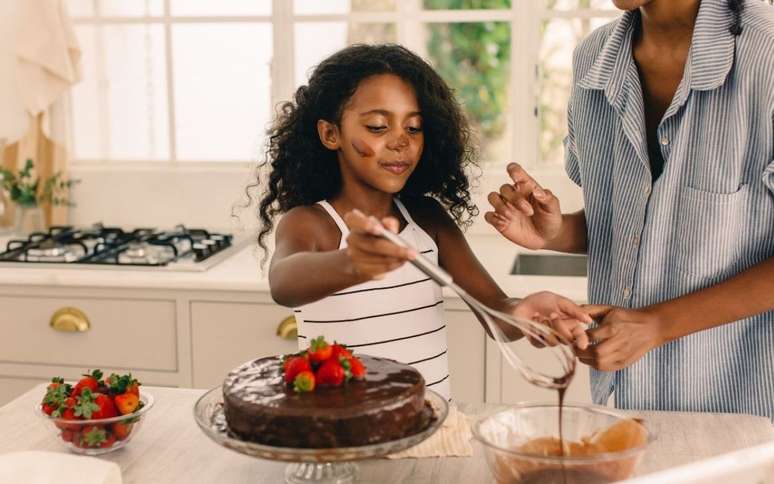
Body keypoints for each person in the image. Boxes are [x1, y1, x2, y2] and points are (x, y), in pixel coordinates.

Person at [252, 44, 591, 400]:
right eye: (378, 126)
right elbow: (284, 282)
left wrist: (524, 311)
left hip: (428, 427)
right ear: (330, 134)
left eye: (414, 128)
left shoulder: (427, 220)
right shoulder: (311, 223)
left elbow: (495, 312)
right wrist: (352, 263)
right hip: (337, 435)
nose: (401, 141)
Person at [487, 0, 774, 418]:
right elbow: (644, 221)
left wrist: (658, 324)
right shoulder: (593, 61)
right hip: (631, 403)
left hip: (747, 407)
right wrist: (556, 232)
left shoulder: (765, 55)